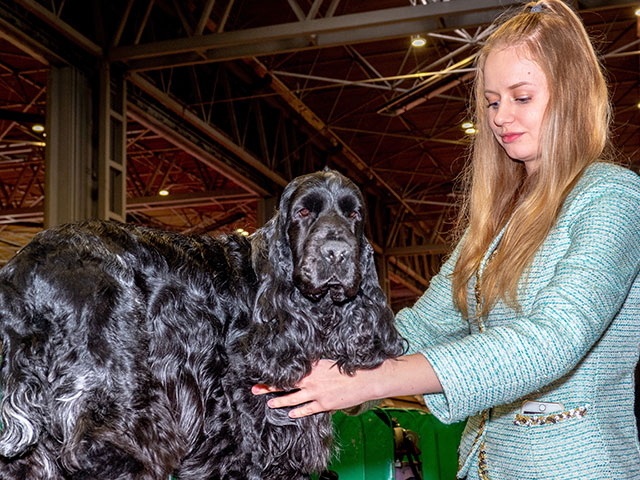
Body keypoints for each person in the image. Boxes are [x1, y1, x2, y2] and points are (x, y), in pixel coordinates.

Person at [253, 1, 640, 478]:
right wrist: (315, 366)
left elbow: (552, 341)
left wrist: (364, 382)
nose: (500, 117)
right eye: (492, 102)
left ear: (573, 96)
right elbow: (418, 330)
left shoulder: (613, 196)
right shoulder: (495, 222)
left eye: (522, 97)